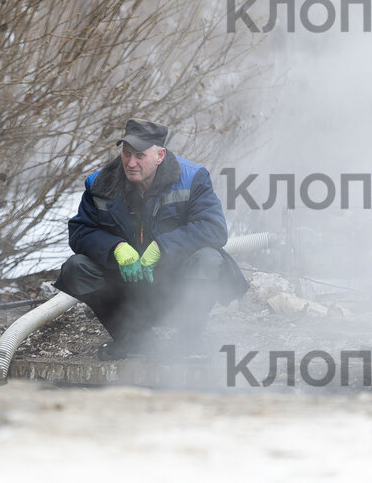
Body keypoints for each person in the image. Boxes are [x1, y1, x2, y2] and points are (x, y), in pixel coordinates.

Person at [54, 119, 248, 360]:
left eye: (139, 155)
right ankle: (132, 339)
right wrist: (115, 248)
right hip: (127, 286)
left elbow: (214, 228)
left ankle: (190, 340)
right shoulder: (100, 183)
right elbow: (80, 230)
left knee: (208, 258)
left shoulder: (192, 177)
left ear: (160, 155)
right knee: (76, 267)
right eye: (126, 154)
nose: (131, 163)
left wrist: (163, 247)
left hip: (176, 286)